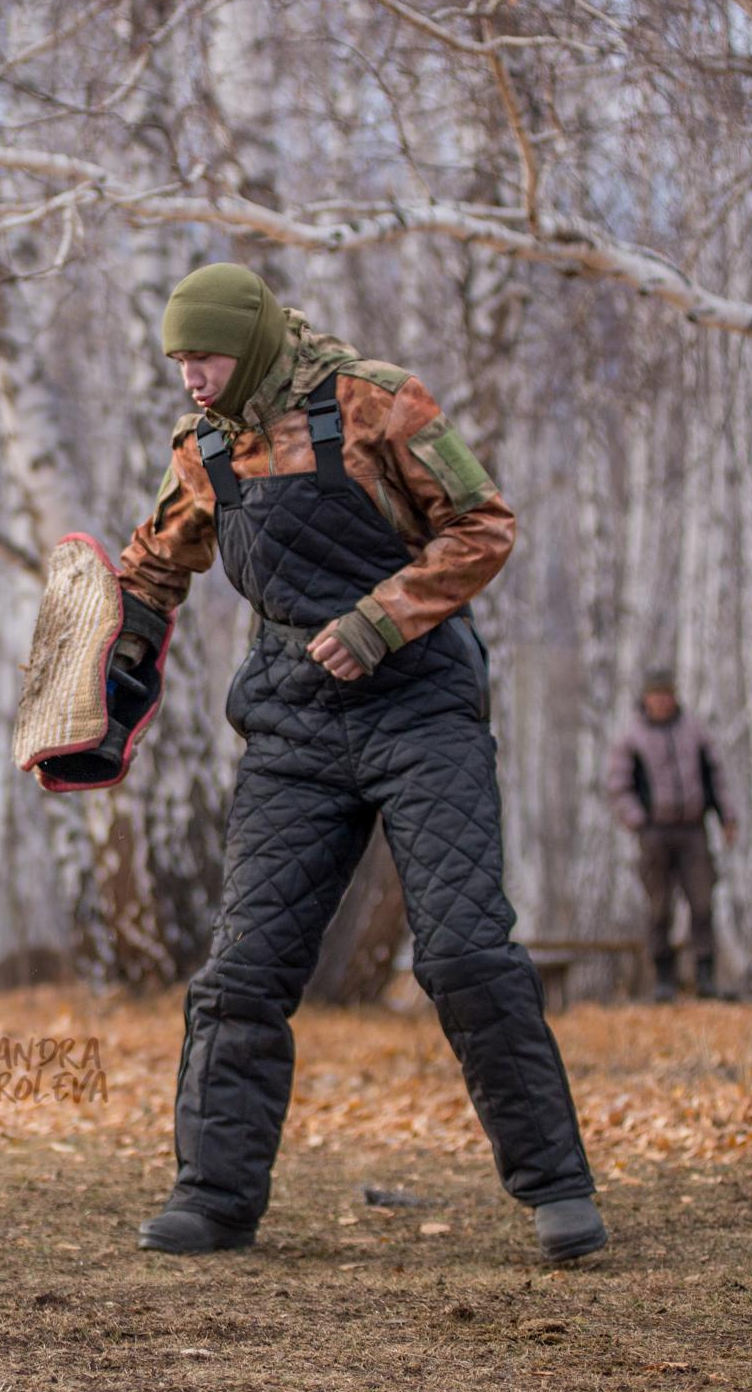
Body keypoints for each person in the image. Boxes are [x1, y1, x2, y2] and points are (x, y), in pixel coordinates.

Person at [110, 263, 604, 1262]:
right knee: (241, 972)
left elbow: (483, 525)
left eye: (203, 357)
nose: (191, 379)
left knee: (464, 954)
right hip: (291, 728)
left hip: (420, 710)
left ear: (245, 343)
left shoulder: (375, 401)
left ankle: (557, 1190)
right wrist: (97, 672)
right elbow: (154, 568)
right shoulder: (206, 450)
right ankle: (212, 1200)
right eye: (176, 362)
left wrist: (381, 621)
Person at [606, 670, 737, 1000]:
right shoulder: (631, 738)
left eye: (667, 694)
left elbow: (715, 775)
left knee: (702, 902)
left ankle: (705, 977)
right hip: (655, 833)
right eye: (656, 695)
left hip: (693, 830)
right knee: (659, 908)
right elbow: (618, 787)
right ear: (646, 698)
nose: (662, 701)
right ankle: (665, 980)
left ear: (675, 696)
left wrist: (727, 817)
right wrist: (639, 822)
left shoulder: (694, 731)